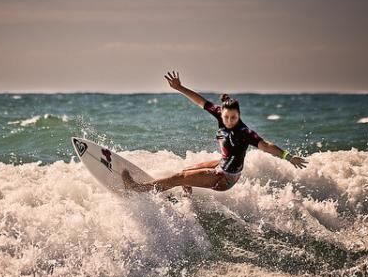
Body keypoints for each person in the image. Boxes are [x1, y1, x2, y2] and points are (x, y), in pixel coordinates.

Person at [122, 71, 307, 193]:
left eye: (233, 118)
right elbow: (200, 101)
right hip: (221, 163)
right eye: (226, 118)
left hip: (225, 178)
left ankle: (138, 189)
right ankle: (187, 199)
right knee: (185, 171)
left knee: (178, 178)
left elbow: (266, 146)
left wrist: (288, 157)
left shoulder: (245, 133)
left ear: (239, 115)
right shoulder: (220, 114)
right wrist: (179, 88)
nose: (229, 121)